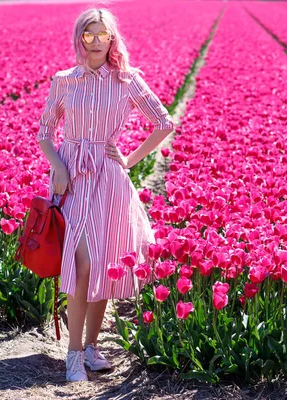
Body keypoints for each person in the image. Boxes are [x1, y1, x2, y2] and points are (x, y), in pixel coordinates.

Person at [35, 7, 175, 382]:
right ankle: (73, 355)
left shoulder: (127, 81)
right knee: (82, 264)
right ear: (79, 38)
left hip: (109, 179)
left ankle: (92, 346)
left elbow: (164, 122)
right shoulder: (65, 80)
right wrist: (58, 167)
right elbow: (45, 132)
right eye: (88, 35)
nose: (95, 42)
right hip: (72, 179)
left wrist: (128, 159)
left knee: (103, 263)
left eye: (102, 35)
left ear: (113, 38)